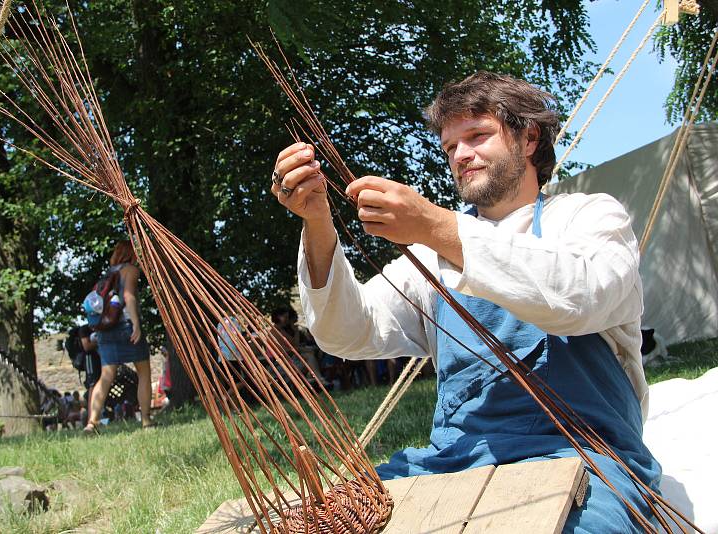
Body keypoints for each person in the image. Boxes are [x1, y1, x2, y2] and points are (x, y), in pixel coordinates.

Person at [270, 72, 661, 532]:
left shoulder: (588, 218)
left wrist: (436, 226)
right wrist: (318, 224)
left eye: (477, 136)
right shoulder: (430, 257)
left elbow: (578, 297)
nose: (460, 155)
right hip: (452, 462)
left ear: (529, 137)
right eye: (450, 146)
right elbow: (347, 332)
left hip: (586, 459)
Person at [84, 240, 154, 432]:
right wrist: (136, 325)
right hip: (125, 326)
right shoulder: (130, 270)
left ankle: (92, 423)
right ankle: (146, 420)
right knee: (144, 372)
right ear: (131, 253)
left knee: (106, 376)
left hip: (106, 329)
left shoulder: (108, 273)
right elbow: (129, 297)